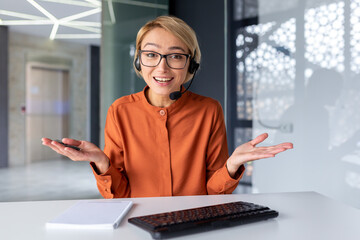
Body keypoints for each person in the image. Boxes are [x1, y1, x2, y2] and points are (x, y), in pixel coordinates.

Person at [42, 16, 293, 198]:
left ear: (191, 65)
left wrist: (232, 165)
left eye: (175, 56)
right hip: (138, 223)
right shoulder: (120, 111)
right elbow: (118, 195)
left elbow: (213, 191)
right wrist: (101, 163)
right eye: (151, 55)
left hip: (194, 223)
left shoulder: (209, 110)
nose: (162, 68)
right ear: (139, 62)